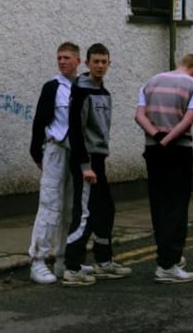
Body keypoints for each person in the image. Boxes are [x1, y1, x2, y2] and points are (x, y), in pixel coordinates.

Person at [62, 43, 132, 286]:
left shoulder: (103, 92)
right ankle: (72, 268)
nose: (100, 66)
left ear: (109, 64)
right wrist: (84, 166)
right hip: (87, 161)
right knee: (84, 214)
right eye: (96, 62)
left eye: (104, 62)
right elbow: (75, 131)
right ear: (87, 63)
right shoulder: (81, 91)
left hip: (98, 159)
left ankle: (103, 262)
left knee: (105, 210)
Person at [134, 54, 193, 284]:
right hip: (178, 149)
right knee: (177, 205)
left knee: (159, 203)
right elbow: (188, 120)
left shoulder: (151, 82)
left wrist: (156, 136)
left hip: (152, 148)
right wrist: (168, 141)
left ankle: (165, 256)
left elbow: (139, 115)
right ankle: (168, 264)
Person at [27, 42, 80, 284]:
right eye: (59, 57)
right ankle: (38, 260)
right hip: (55, 150)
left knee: (70, 207)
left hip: (76, 154)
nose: (62, 61)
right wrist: (37, 154)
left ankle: (61, 259)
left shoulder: (83, 86)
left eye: (67, 57)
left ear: (78, 60)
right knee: (49, 205)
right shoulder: (52, 87)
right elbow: (39, 121)